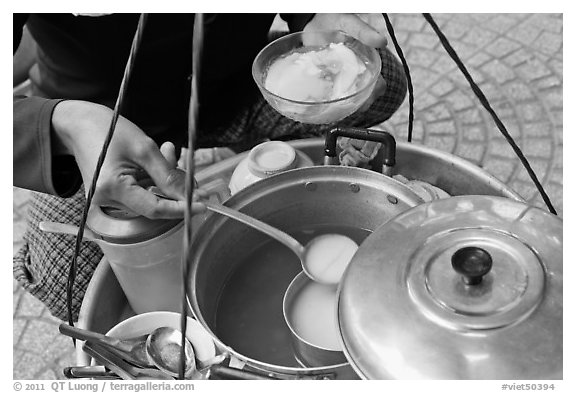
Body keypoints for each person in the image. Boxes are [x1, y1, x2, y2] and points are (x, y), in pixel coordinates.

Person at [13, 13, 407, 320]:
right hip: (99, 126)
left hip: (225, 94)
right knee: (67, 277)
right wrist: (62, 125)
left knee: (379, 77)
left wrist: (311, 18)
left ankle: (246, 145)